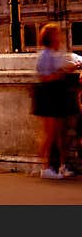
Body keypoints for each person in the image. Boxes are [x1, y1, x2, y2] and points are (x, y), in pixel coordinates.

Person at [33, 23, 82, 179]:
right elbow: (44, 76)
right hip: (48, 95)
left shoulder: (55, 53)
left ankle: (62, 166)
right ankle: (44, 167)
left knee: (61, 133)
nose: (60, 36)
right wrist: (61, 72)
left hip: (57, 94)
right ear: (50, 37)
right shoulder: (45, 54)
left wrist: (69, 68)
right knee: (50, 133)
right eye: (57, 34)